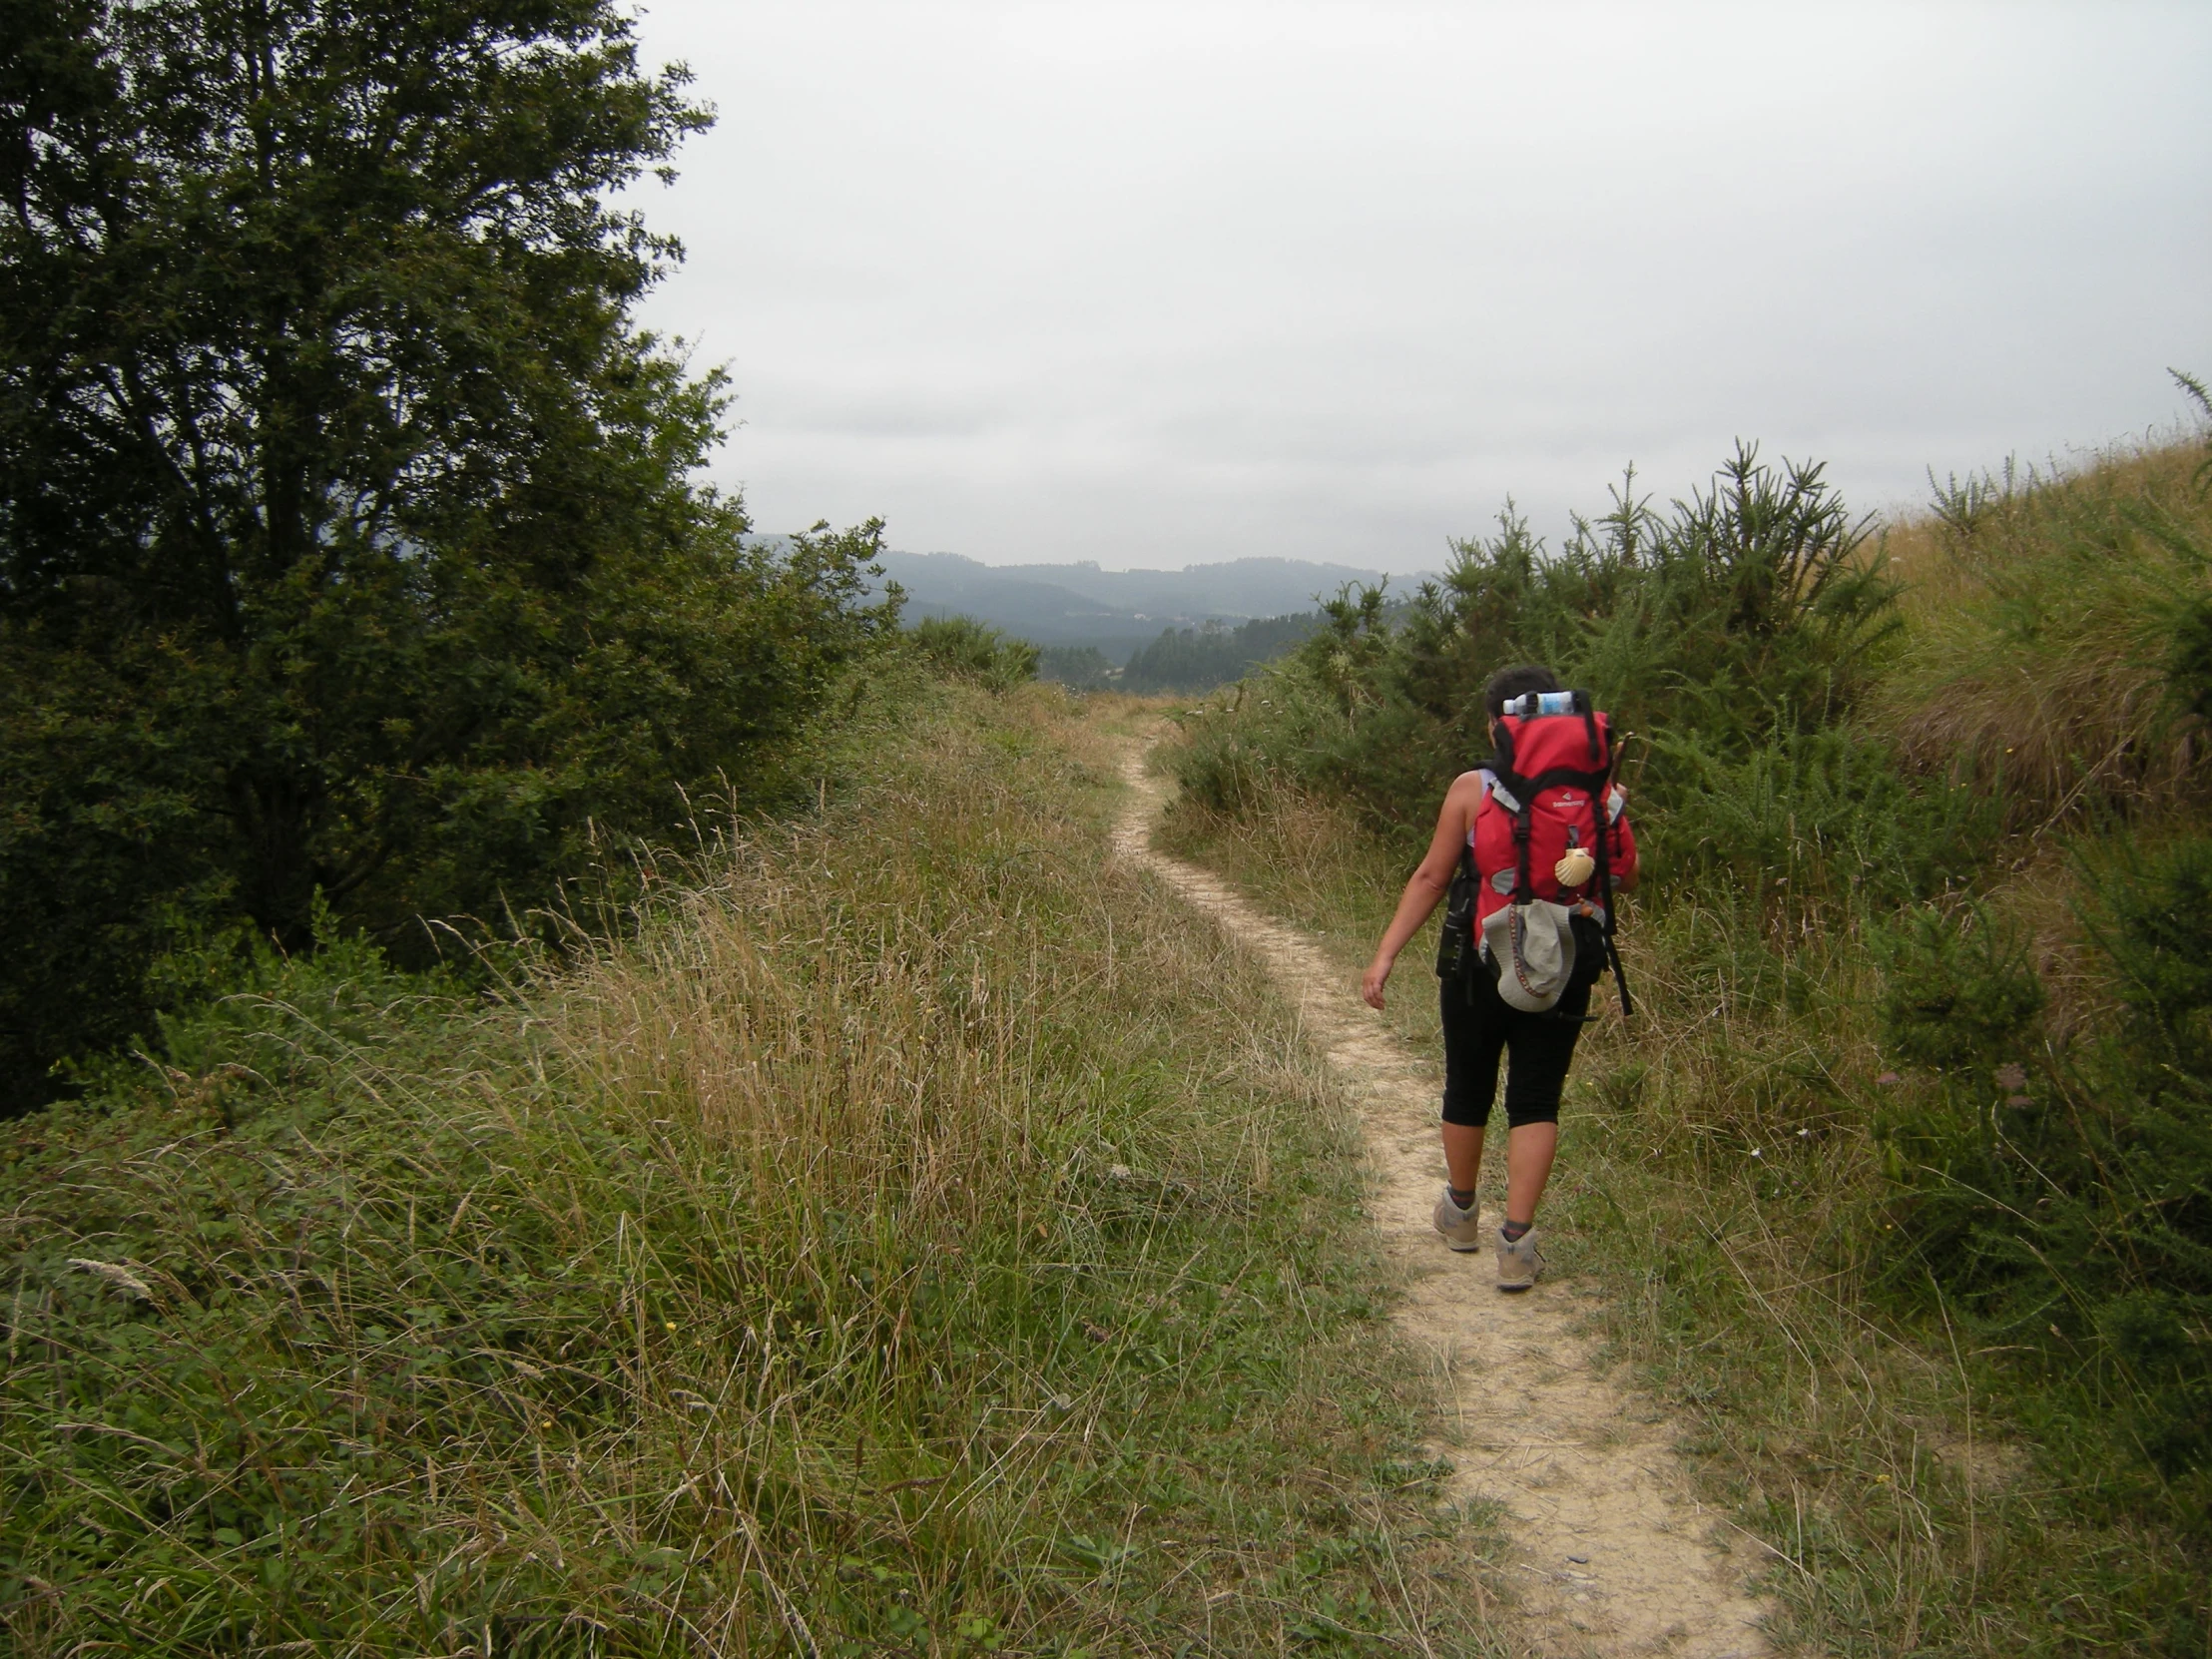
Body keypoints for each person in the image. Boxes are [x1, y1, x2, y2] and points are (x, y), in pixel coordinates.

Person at [1360, 664, 1638, 1290]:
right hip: (1566, 961)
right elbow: (1622, 876)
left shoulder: (1471, 789)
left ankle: (1460, 1213)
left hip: (1478, 960)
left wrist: (1384, 955)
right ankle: (1517, 1245)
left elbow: (1432, 877)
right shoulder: (1601, 793)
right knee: (1536, 1098)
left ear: (1497, 724)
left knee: (1468, 1082)